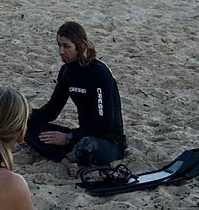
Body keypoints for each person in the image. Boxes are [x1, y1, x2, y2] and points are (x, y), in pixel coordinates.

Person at [25, 23, 126, 168]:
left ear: (81, 46)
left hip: (107, 141)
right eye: (59, 45)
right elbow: (52, 110)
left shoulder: (99, 73)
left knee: (86, 145)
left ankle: (66, 157)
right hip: (80, 135)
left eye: (66, 46)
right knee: (28, 127)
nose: (61, 51)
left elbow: (104, 124)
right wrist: (30, 114)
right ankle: (65, 160)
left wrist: (69, 137)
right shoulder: (66, 72)